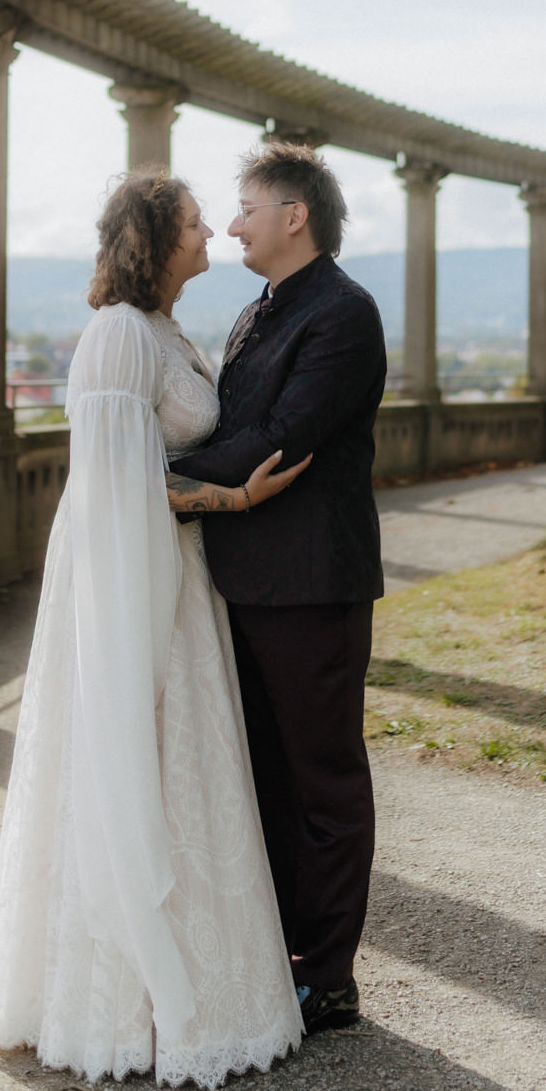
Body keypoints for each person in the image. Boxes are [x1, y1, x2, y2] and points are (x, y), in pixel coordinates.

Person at [0, 168, 307, 1089]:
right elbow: (118, 483)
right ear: (156, 243)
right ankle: (124, 1009)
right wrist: (234, 497)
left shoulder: (164, 330)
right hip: (133, 574)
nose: (213, 237)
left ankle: (198, 997)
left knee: (184, 768)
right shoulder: (118, 335)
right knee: (131, 753)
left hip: (178, 572)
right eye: (198, 226)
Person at [167, 140, 386, 1036]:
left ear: (294, 216)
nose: (230, 225)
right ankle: (281, 955)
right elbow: (243, 422)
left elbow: (281, 439)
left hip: (311, 584)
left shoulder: (343, 313)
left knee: (323, 777)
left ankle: (328, 976)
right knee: (262, 774)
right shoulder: (259, 310)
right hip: (247, 581)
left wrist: (148, 470)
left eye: (246, 211)